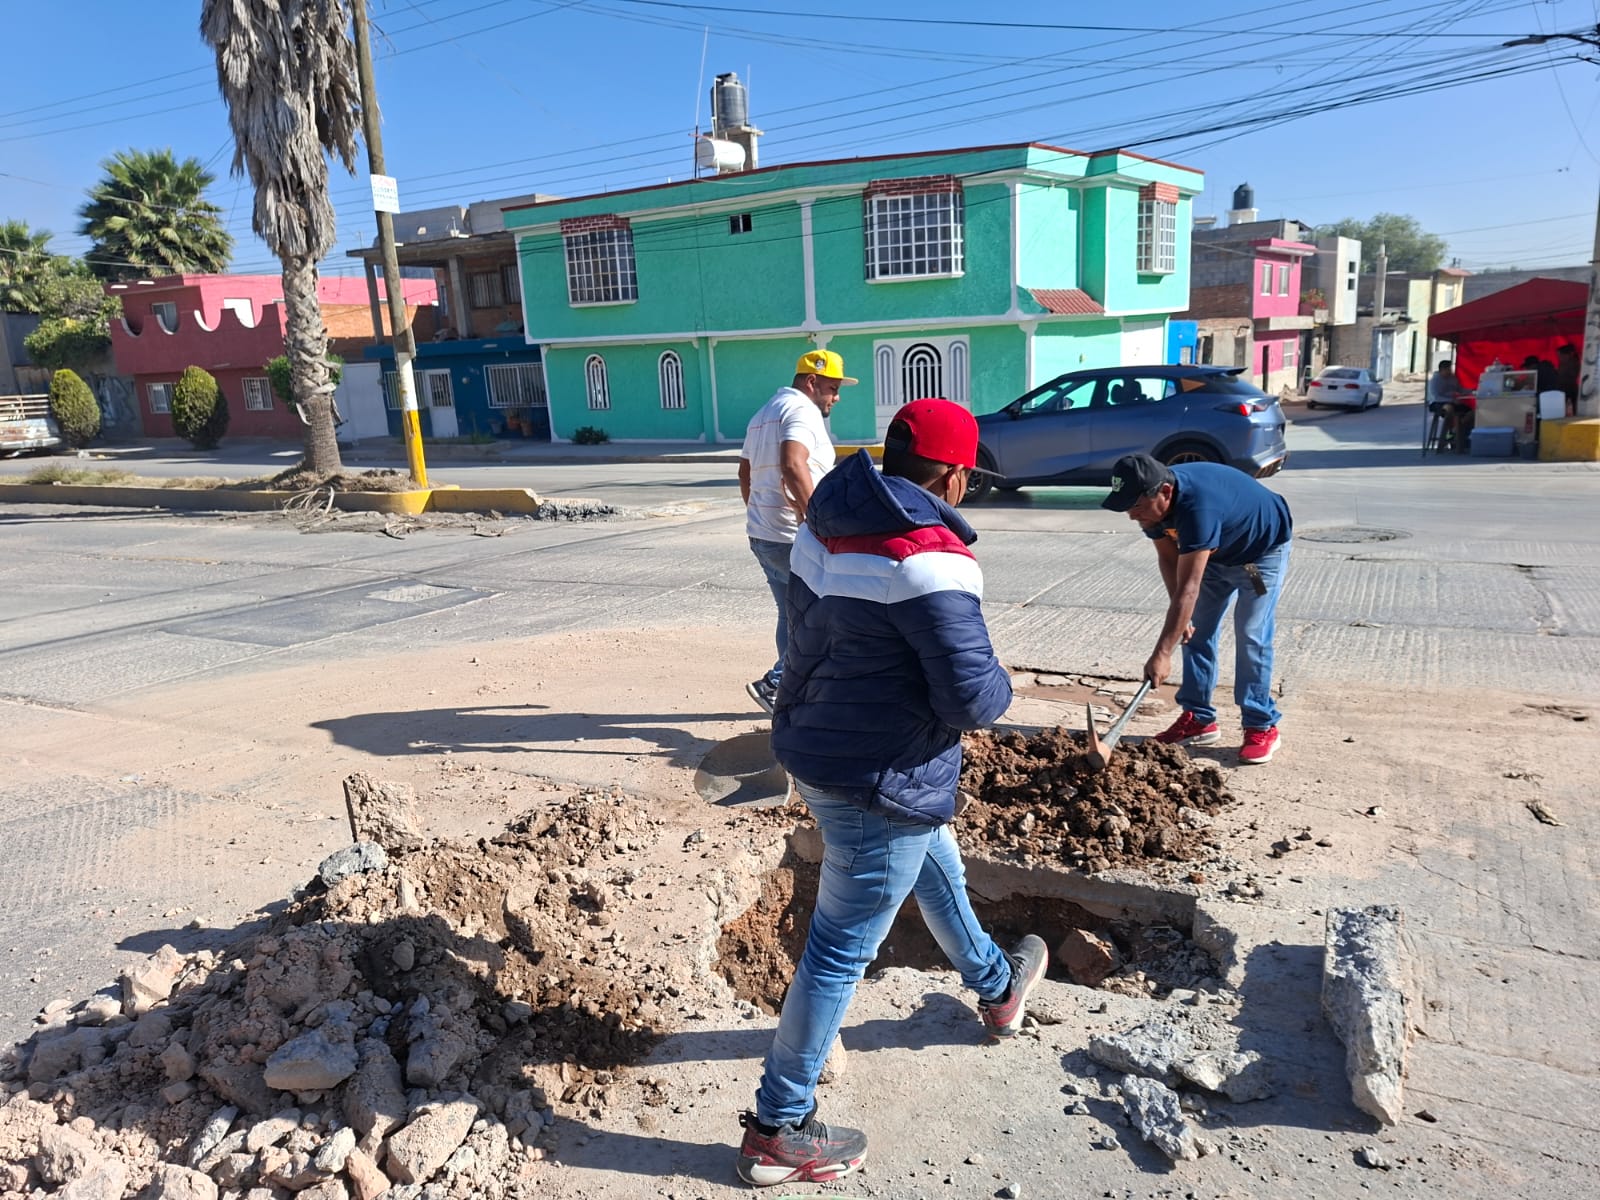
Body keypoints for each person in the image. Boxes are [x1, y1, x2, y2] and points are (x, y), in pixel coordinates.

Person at [735, 399, 1048, 1188]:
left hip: (820, 744)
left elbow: (802, 639)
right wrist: (1005, 682)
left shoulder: (826, 521)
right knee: (840, 948)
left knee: (935, 857)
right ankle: (778, 1127)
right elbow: (972, 700)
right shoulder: (930, 559)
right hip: (882, 769)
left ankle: (997, 988)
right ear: (954, 475)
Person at [1102, 453, 1293, 766]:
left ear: (1164, 492)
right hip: (1213, 557)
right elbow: (1169, 558)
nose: (1132, 516)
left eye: (1135, 506)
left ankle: (1261, 724)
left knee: (1251, 632)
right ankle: (1199, 719)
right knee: (1193, 631)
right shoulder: (1152, 511)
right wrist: (1182, 620)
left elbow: (1189, 588)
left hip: (1257, 558)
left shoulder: (1198, 508)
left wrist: (1162, 654)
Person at [738, 349, 855, 714]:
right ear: (811, 382)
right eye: (832, 389)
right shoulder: (802, 410)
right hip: (793, 537)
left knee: (791, 614)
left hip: (765, 534)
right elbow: (793, 462)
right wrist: (813, 522)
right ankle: (777, 683)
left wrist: (760, 513)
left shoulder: (763, 413)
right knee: (825, 614)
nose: (836, 397)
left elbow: (745, 473)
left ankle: (793, 690)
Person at [1427, 359, 1474, 454]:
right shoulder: (1435, 380)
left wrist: (1472, 391)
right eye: (1448, 369)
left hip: (1452, 402)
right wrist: (1451, 400)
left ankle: (1454, 431)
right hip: (1437, 403)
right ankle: (1449, 433)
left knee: (1472, 412)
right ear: (1441, 370)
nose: (1450, 371)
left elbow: (1460, 390)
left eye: (1450, 369)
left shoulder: (1452, 378)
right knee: (1449, 409)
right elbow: (1436, 396)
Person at [1556, 344, 1580, 415]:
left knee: (1569, 407)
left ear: (1566, 355)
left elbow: (1569, 375)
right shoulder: (1569, 362)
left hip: (1567, 387)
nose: (1559, 357)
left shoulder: (1570, 363)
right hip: (1567, 387)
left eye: (1560, 355)